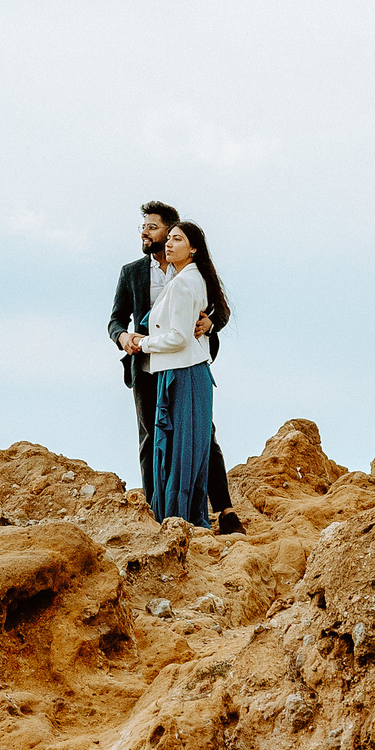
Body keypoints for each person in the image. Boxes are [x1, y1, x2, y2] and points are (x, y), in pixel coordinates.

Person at [108, 203, 239, 530]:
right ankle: (157, 513)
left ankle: (225, 511)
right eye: (143, 227)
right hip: (145, 366)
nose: (145, 232)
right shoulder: (132, 272)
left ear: (171, 231)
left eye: (152, 227)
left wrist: (209, 324)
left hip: (183, 363)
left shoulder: (190, 271)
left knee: (203, 437)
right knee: (152, 438)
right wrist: (123, 337)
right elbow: (115, 320)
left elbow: (220, 312)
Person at [138, 221, 229, 528]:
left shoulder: (183, 283)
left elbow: (179, 337)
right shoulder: (191, 279)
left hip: (184, 372)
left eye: (178, 239)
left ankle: (179, 520)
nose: (169, 244)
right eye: (170, 239)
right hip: (185, 371)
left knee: (182, 453)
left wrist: (144, 343)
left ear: (192, 248)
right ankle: (183, 518)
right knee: (184, 450)